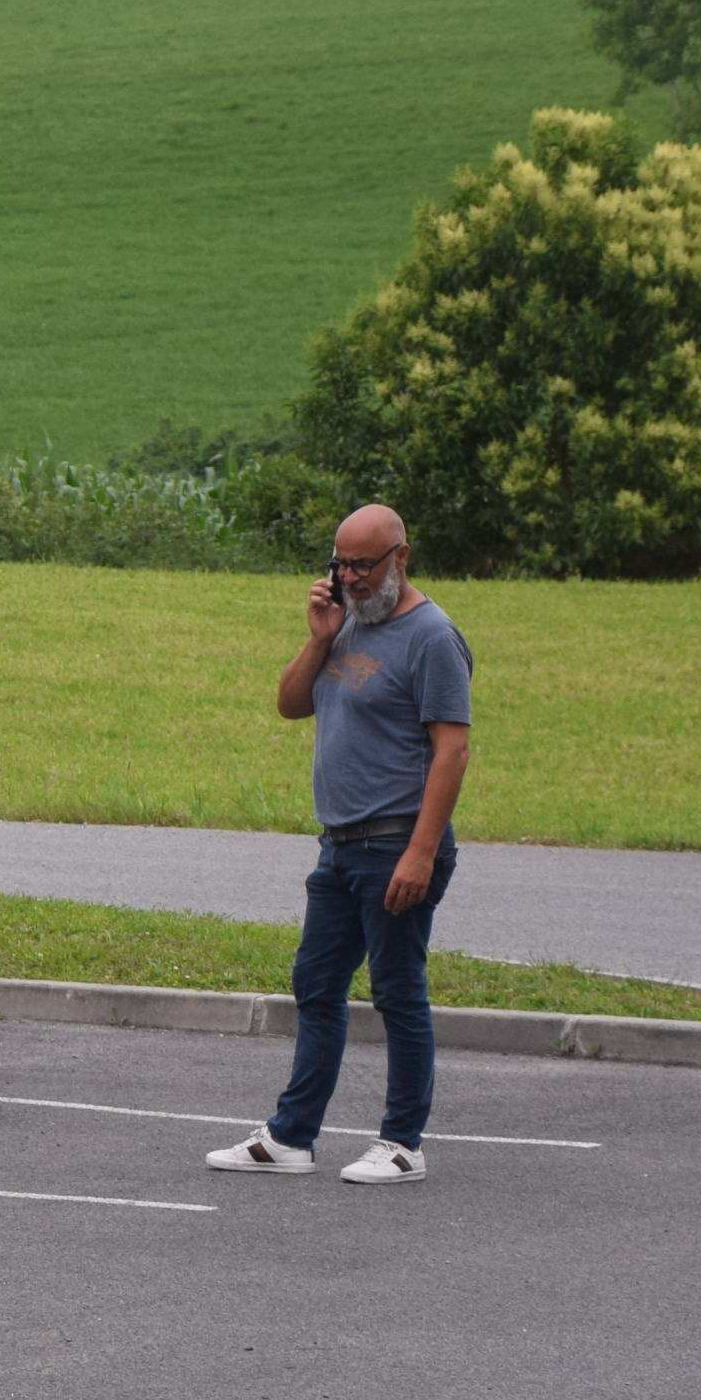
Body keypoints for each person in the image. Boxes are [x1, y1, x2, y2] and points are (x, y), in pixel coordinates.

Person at [209, 503, 472, 1186]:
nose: (351, 578)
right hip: (339, 846)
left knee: (397, 991)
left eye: (364, 564)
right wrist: (320, 636)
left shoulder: (432, 637)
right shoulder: (346, 622)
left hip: (396, 843)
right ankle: (293, 1136)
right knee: (317, 986)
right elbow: (292, 702)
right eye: (342, 564)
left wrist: (421, 851)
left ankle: (403, 1142)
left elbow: (452, 750)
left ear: (401, 558)